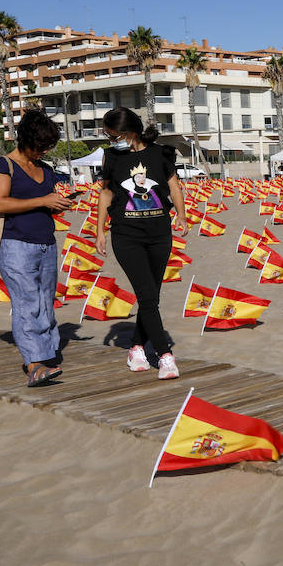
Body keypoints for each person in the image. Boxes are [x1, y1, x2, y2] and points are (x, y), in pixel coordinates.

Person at [95, 107, 188, 380]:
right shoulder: (111, 156)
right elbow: (106, 194)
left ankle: (136, 346)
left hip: (160, 234)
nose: (111, 140)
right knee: (147, 296)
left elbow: (174, 187)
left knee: (151, 297)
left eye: (113, 135)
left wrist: (181, 216)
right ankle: (164, 353)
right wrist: (99, 231)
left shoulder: (162, 153)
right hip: (127, 235)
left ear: (129, 133)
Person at [0, 110, 73, 387]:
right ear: (25, 140)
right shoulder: (2, 166)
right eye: (41, 146)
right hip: (15, 245)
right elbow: (0, 204)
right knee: (27, 303)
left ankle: (47, 354)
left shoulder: (45, 169)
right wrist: (44, 200)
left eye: (49, 146)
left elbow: (44, 204)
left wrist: (59, 203)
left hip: (46, 243)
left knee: (46, 302)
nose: (45, 150)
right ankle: (34, 364)